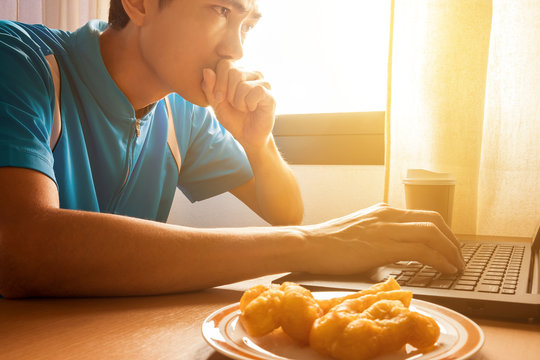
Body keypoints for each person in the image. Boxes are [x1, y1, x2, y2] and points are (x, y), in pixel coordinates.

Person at [0, 0, 465, 298]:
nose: (237, 50)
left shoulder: (184, 113)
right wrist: (314, 245)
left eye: (248, 23)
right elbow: (21, 249)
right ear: (139, 4)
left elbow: (284, 213)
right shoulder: (20, 60)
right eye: (222, 10)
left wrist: (258, 145)